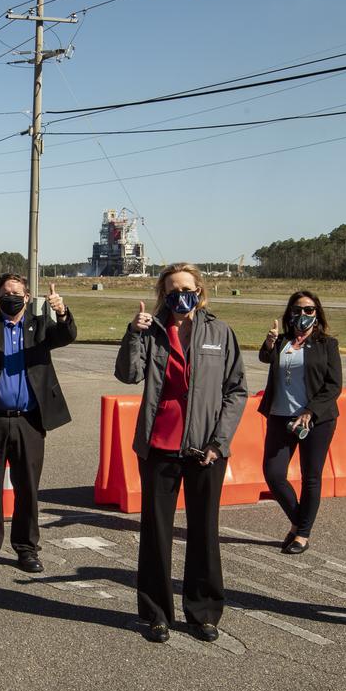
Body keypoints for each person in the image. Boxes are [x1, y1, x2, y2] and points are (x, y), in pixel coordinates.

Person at [115, 262, 247, 644]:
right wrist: (132, 335)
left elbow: (236, 390)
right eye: (172, 291)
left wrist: (218, 443)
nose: (179, 296)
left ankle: (203, 612)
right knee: (156, 533)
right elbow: (129, 374)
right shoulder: (153, 330)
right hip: (160, 446)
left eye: (186, 289)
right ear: (163, 295)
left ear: (200, 291)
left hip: (205, 449)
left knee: (204, 531)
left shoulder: (219, 332)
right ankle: (156, 613)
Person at [0, 276, 76, 574]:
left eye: (17, 293)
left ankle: (26, 547)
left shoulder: (40, 326)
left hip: (29, 420)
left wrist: (61, 312)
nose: (12, 297)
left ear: (28, 296)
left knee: (28, 486)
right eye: (6, 293)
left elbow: (67, 335)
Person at [257, 291, 342, 555]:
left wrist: (310, 411)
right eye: (297, 310)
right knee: (273, 473)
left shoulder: (327, 344)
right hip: (280, 416)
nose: (302, 315)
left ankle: (302, 535)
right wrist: (270, 344)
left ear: (317, 314)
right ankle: (298, 521)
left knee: (311, 477)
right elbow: (265, 358)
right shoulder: (282, 341)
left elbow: (334, 385)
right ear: (289, 313)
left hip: (316, 420)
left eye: (308, 310)